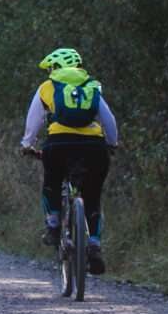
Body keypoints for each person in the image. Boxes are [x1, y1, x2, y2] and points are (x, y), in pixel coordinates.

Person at [20, 47, 118, 275]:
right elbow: (108, 120)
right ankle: (94, 246)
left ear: (55, 68)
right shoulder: (92, 85)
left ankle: (53, 226)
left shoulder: (48, 86)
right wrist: (112, 144)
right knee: (92, 196)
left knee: (52, 180)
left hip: (59, 144)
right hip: (94, 146)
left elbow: (33, 121)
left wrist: (27, 147)